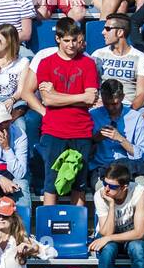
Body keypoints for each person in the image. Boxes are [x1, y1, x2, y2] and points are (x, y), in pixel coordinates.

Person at [35, 17, 99, 205]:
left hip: (81, 130)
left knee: (79, 183)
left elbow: (91, 99)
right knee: (51, 181)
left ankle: (76, 229)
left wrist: (58, 96)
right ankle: (48, 225)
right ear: (58, 39)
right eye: (67, 40)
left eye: (74, 40)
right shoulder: (46, 63)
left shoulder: (87, 64)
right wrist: (79, 97)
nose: (71, 45)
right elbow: (47, 100)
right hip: (54, 130)